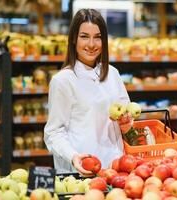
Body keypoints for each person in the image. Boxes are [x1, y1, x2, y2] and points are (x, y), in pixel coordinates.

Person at [44, 9, 131, 176]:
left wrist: (127, 124)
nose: (91, 44)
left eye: (97, 37)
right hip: (82, 170)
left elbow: (125, 117)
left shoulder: (113, 74)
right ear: (73, 39)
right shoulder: (63, 80)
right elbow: (53, 133)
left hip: (115, 167)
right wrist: (73, 156)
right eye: (84, 36)